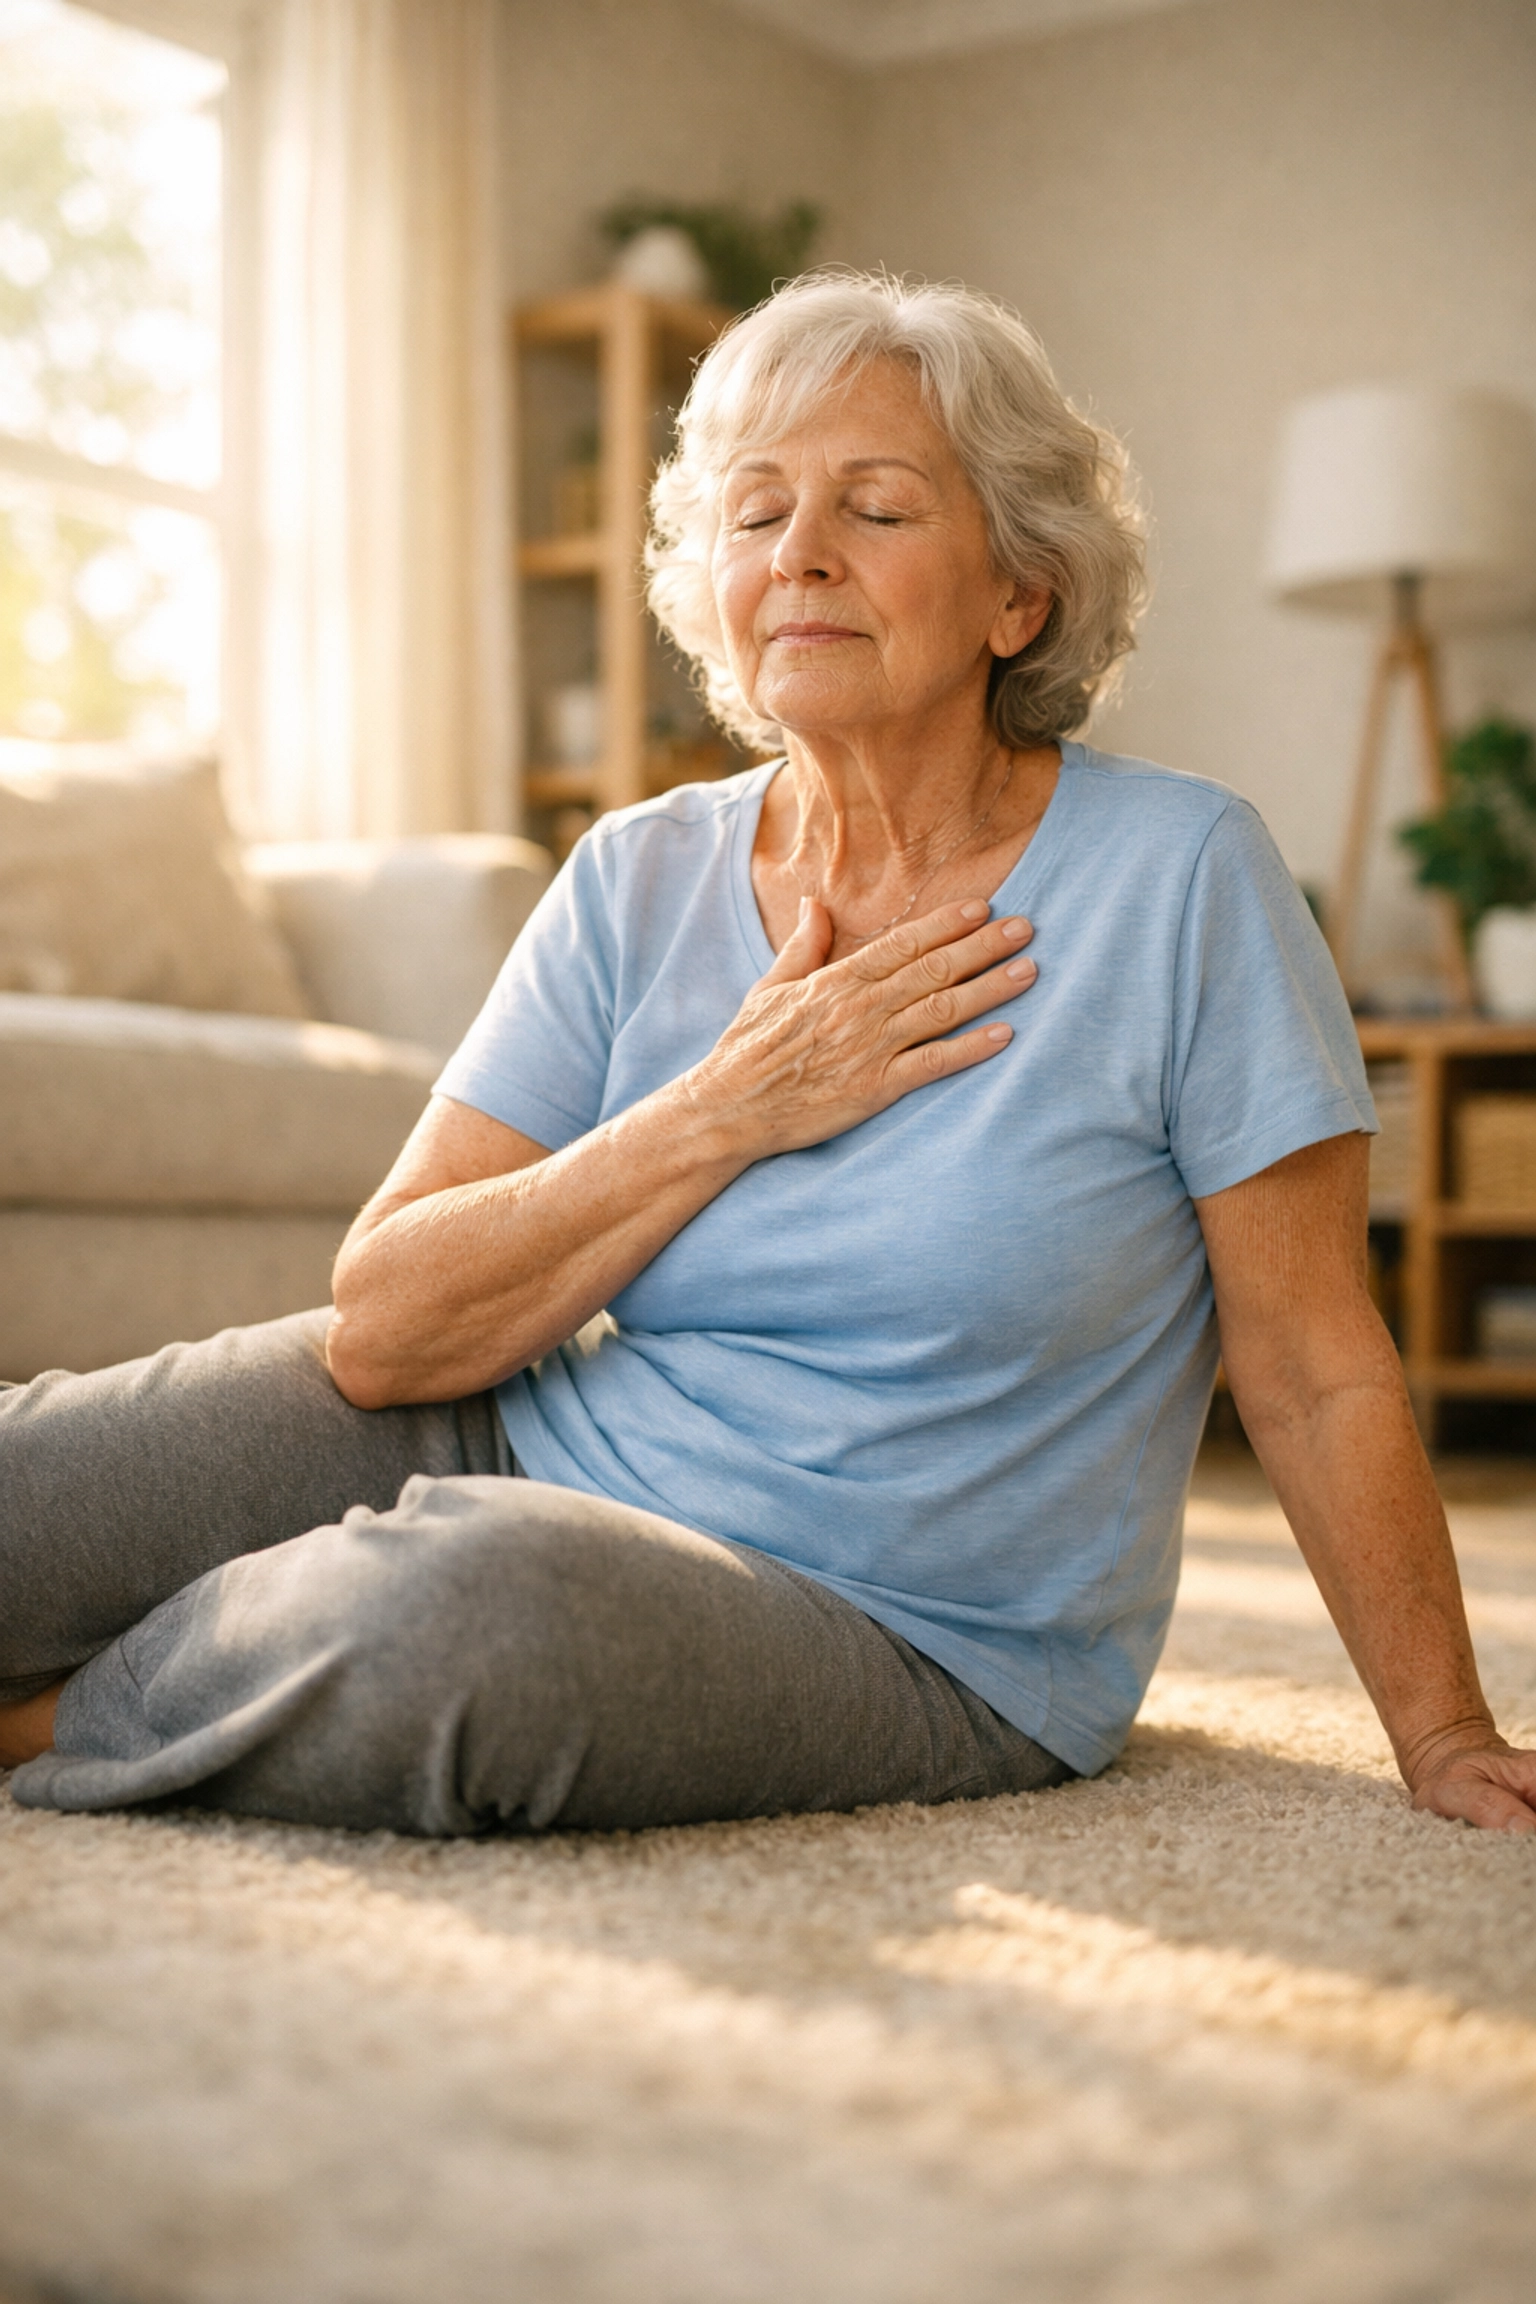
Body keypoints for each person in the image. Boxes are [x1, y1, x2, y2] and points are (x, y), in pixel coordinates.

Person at [4, 272, 1534, 1837]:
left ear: (1020, 594)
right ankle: (247, 1640)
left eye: (875, 508)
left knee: (457, 1615)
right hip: (523, 1428)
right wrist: (727, 1106)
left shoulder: (1185, 876)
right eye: (755, 513)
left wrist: (1444, 1728)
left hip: (903, 1625)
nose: (798, 552)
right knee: (29, 1485)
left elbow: (1312, 1363)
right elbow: (386, 1329)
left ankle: (57, 1718)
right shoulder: (635, 873)